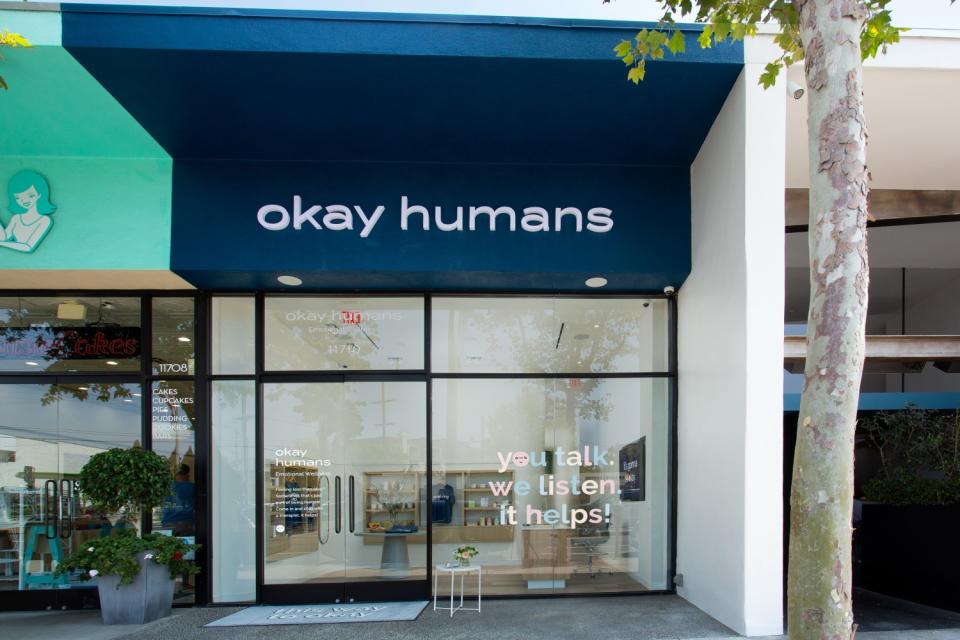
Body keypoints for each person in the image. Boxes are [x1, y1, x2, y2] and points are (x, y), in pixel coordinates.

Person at [1, 170, 56, 253]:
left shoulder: (44, 220)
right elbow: (4, 238)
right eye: (18, 198)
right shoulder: (16, 217)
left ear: (39, 194)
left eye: (30, 195)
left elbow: (28, 247)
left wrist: (2, 243)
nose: (24, 200)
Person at [161, 464, 195, 536]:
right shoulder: (193, 487)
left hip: (168, 522)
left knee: (166, 545)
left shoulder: (166, 486)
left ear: (175, 474)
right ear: (187, 475)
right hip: (187, 523)